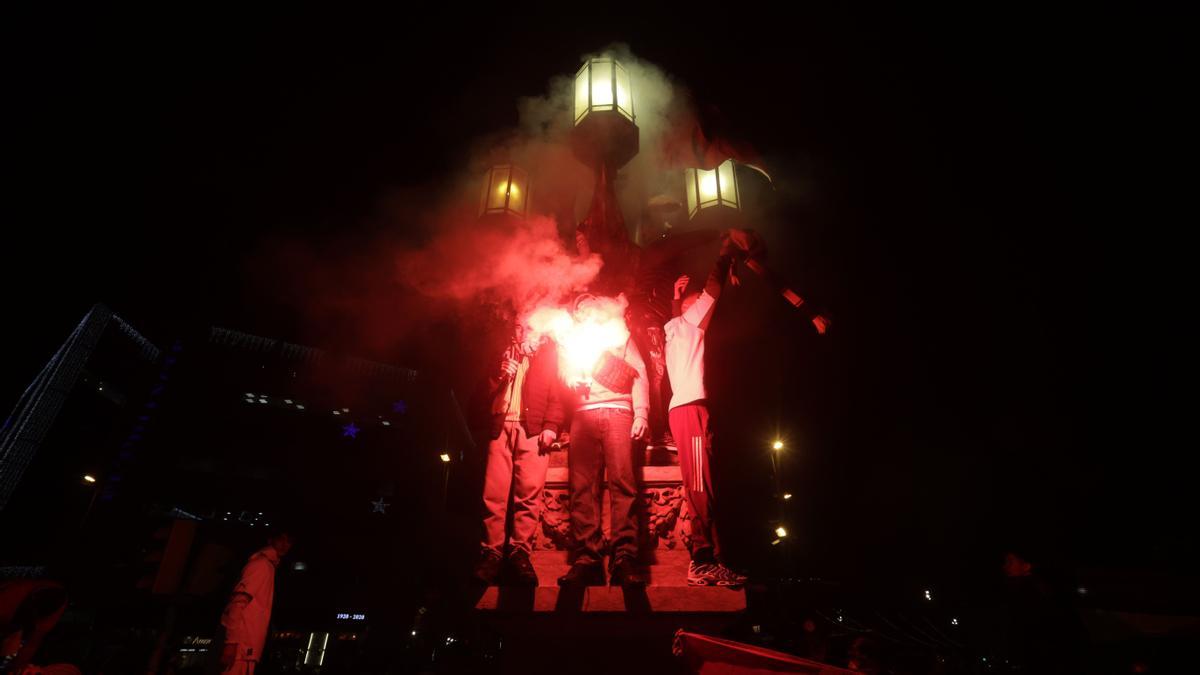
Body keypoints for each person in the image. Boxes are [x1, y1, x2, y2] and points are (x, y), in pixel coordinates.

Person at [664, 234, 755, 587]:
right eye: (696, 303)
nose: (707, 311)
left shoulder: (676, 329)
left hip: (689, 410)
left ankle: (714, 559)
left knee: (707, 486)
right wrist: (723, 254)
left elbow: (702, 302)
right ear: (691, 310)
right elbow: (713, 291)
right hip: (690, 412)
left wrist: (675, 300)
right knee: (701, 486)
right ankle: (701, 561)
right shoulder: (688, 326)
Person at [557, 296, 650, 588]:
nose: (584, 310)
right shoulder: (570, 339)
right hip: (583, 415)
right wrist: (572, 379)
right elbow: (564, 372)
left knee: (623, 482)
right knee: (582, 487)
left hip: (620, 412)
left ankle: (624, 558)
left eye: (589, 305)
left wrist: (642, 413)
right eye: (579, 307)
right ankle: (588, 558)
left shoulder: (618, 334)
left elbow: (640, 373)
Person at [472, 319, 564, 587]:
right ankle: (491, 553)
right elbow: (479, 397)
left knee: (529, 494)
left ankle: (519, 553)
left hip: (531, 430)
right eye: (517, 326)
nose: (520, 331)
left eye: (525, 325)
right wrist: (498, 375)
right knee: (494, 495)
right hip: (500, 428)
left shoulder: (547, 356)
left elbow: (556, 395)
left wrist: (551, 426)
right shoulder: (500, 353)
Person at [219, 529, 292, 675]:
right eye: (281, 539)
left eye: (289, 541)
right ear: (270, 540)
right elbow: (238, 601)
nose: (285, 545)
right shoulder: (262, 565)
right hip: (241, 648)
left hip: (244, 648)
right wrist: (231, 642)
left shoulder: (267, 565)